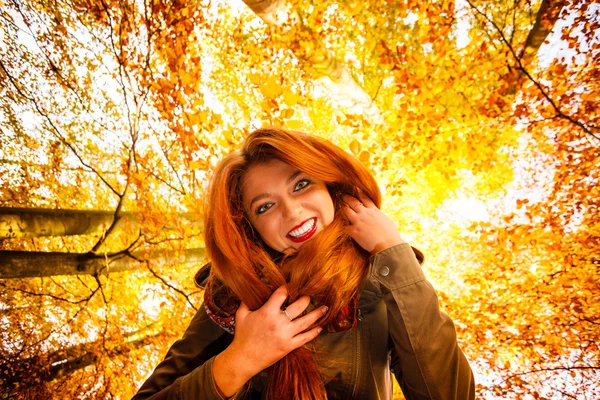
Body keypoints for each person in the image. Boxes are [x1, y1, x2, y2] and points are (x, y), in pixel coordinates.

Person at [132, 127, 475, 399]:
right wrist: (241, 358)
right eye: (264, 207)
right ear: (252, 229)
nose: (292, 210)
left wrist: (392, 249)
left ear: (331, 187)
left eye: (301, 184)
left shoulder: (383, 281)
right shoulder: (231, 297)